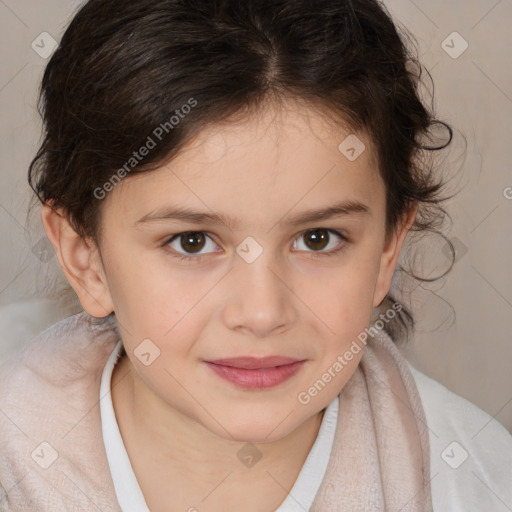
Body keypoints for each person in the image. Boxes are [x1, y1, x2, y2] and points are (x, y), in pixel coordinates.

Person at [0, 0, 511, 511]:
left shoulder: (479, 482)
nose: (263, 313)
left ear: (385, 249)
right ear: (85, 258)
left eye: (318, 238)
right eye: (192, 241)